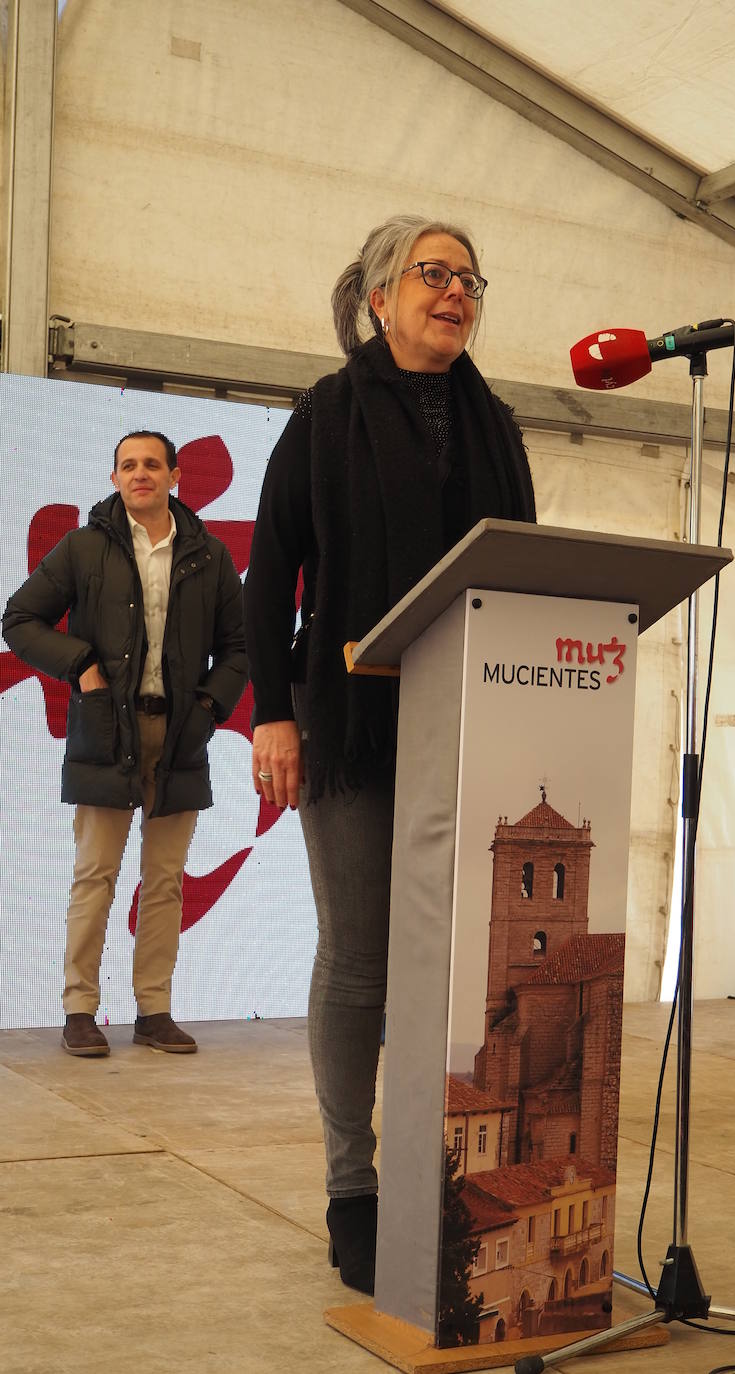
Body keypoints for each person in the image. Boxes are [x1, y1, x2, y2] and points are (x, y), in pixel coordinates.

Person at [244, 214, 536, 1294]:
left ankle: (434, 1170)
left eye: (469, 279)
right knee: (360, 957)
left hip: (468, 714)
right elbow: (269, 572)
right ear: (380, 298)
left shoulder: (497, 426)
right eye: (433, 274)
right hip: (352, 721)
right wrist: (272, 714)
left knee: (449, 966)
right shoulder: (325, 415)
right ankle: (353, 1190)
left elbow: (524, 567)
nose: (455, 292)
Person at [2, 430, 247, 1057]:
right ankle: (79, 1010)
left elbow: (240, 647)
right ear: (114, 478)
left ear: (175, 475)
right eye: (128, 465)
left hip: (181, 734)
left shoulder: (210, 556)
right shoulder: (84, 547)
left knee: (165, 881)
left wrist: (209, 707)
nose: (141, 473)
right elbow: (19, 620)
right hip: (106, 731)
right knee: (96, 875)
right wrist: (81, 665)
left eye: (152, 464)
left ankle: (153, 1010)